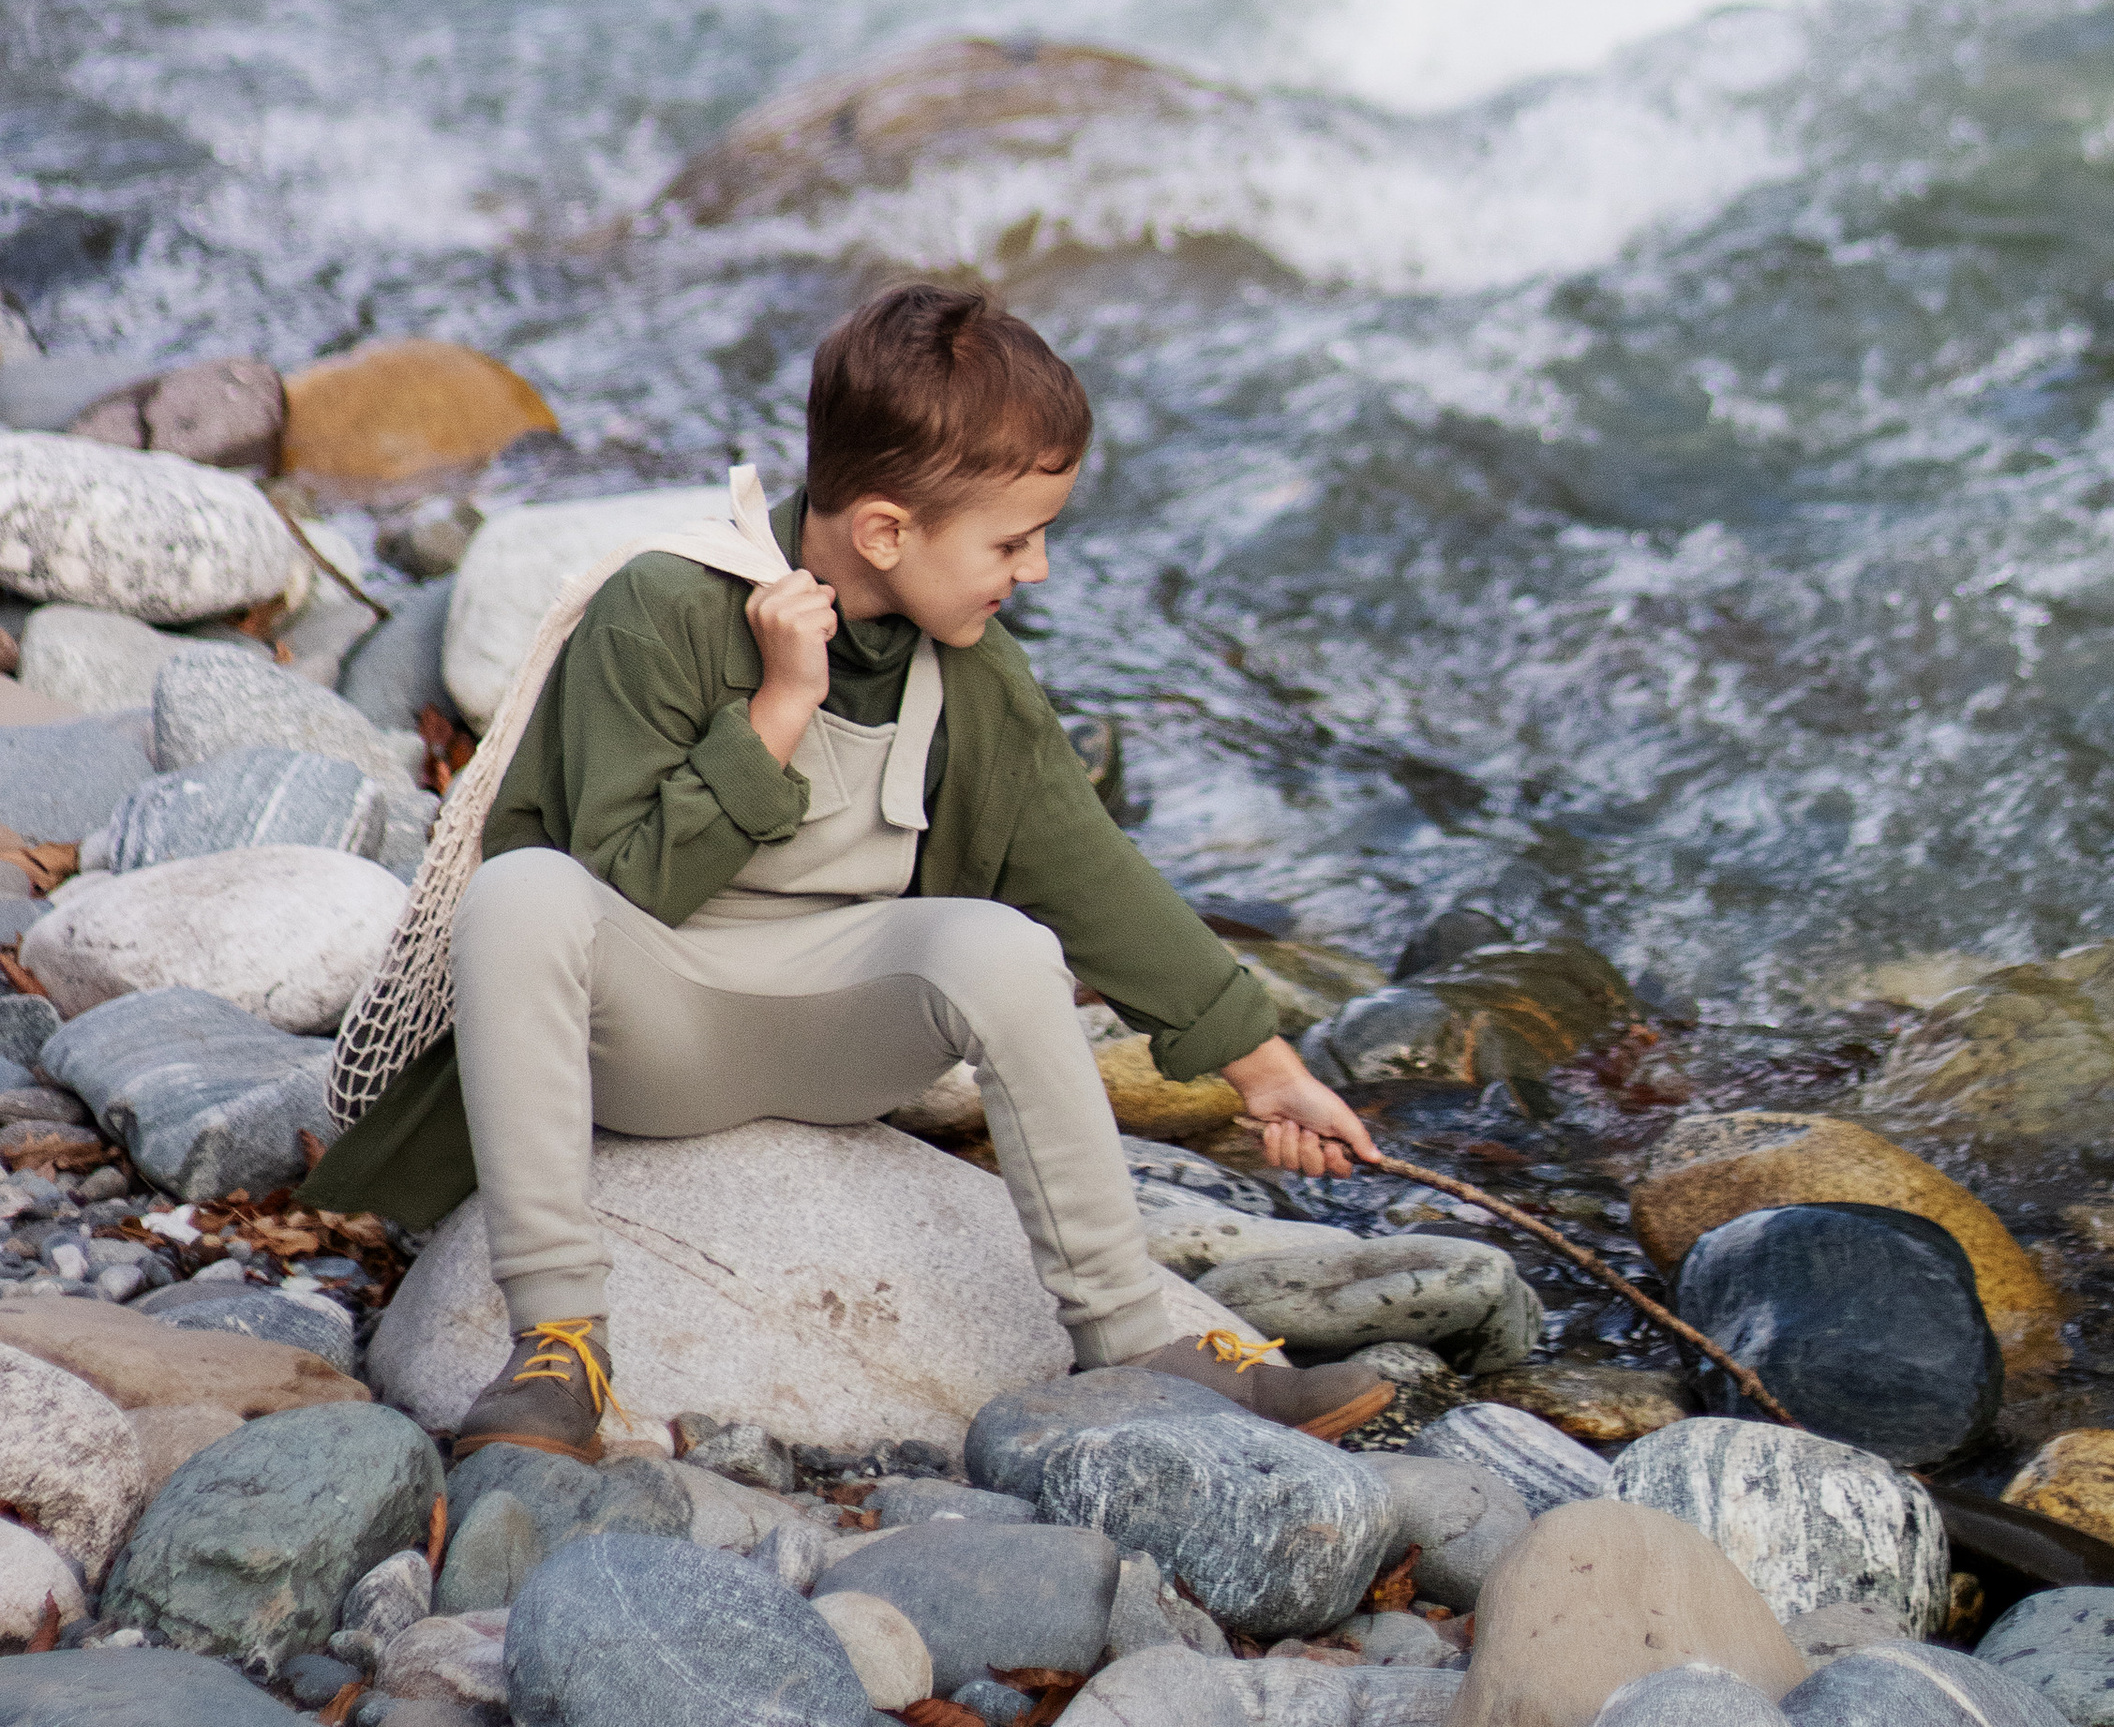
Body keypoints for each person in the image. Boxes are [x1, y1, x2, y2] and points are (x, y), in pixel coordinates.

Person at [308, 277, 1387, 1461]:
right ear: (885, 531)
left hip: (839, 1039)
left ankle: (1134, 1341)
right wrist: (777, 708)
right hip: (644, 1037)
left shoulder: (974, 676)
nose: (1033, 573)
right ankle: (558, 1347)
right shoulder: (660, 608)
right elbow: (625, 886)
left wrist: (1265, 1068)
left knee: (1008, 946)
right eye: (1013, 542)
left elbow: (1097, 880)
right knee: (523, 894)